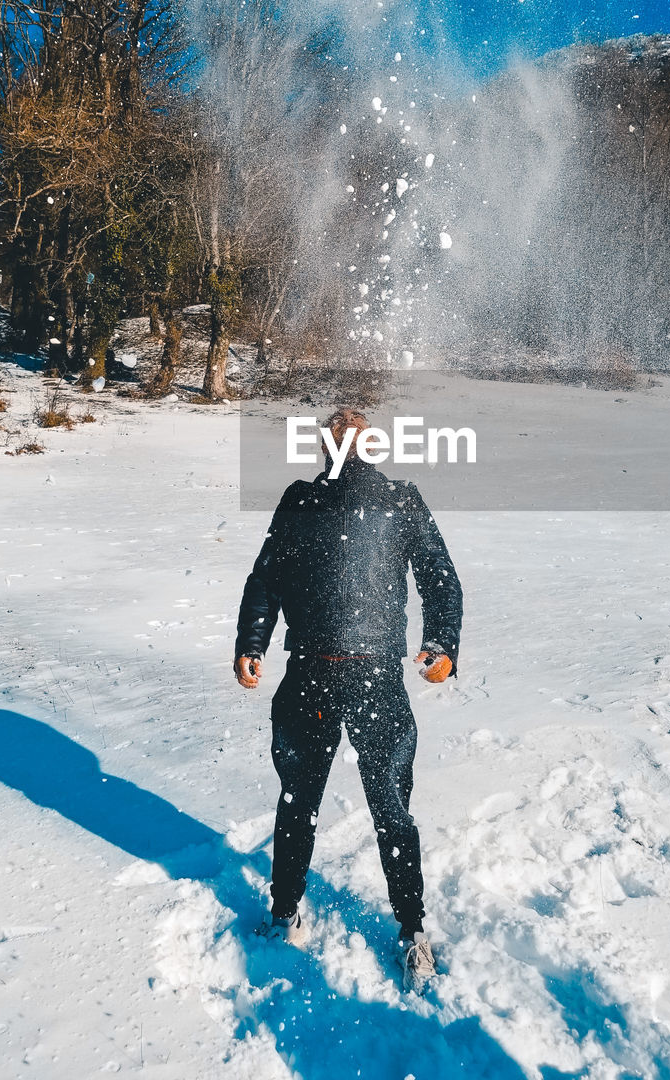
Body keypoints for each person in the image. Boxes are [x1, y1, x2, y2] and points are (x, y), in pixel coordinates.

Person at [234, 406, 463, 992]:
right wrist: (251, 642)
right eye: (336, 438)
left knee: (389, 809)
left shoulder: (399, 501)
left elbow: (440, 577)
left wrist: (441, 643)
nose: (340, 447)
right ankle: (286, 911)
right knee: (299, 802)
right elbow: (266, 580)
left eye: (345, 438)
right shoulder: (299, 503)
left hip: (376, 677)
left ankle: (413, 932)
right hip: (309, 673)